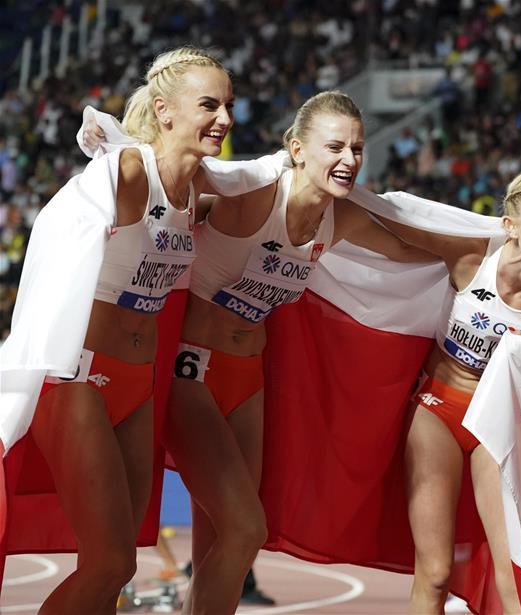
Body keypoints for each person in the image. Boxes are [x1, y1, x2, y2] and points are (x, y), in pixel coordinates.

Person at [163, 90, 431, 614]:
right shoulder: (256, 197)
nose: (349, 159)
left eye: (357, 148)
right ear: (297, 148)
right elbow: (184, 180)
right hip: (190, 373)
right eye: (335, 147)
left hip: (248, 379)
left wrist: (494, 251)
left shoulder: (339, 218)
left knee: (222, 543)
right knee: (246, 530)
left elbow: (408, 250)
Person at [20, 46, 232, 614]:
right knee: (107, 563)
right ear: (164, 110)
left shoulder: (199, 190)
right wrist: (107, 148)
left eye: (228, 105)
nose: (225, 119)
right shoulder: (131, 171)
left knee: (121, 566)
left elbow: (262, 180)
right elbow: (67, 219)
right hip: (79, 381)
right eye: (208, 105)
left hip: (138, 385)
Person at [373, 169, 521, 614]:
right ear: (510, 225)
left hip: (498, 428)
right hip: (437, 409)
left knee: (512, 580)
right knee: (434, 573)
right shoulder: (472, 257)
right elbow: (395, 222)